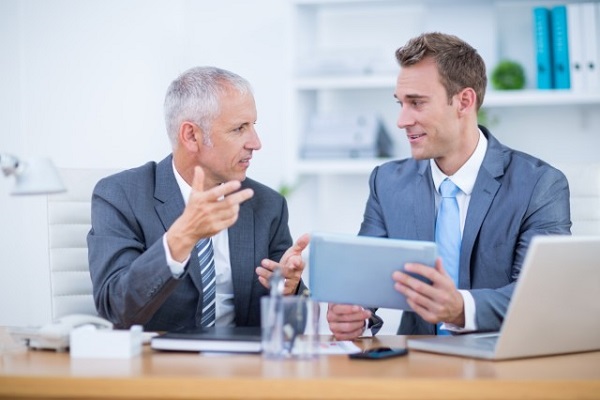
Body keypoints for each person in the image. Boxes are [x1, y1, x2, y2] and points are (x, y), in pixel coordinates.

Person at [327, 32, 571, 339]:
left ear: (464, 101)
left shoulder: (539, 185)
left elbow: (541, 295)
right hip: (417, 367)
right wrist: (354, 315)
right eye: (401, 103)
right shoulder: (387, 182)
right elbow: (364, 283)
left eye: (416, 103)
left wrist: (461, 308)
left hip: (503, 367)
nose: (402, 120)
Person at [88, 66, 309, 331]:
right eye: (239, 128)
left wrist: (288, 291)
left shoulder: (267, 205)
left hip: (243, 368)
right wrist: (180, 239)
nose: (256, 142)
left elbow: (286, 328)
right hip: (157, 366)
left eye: (253, 126)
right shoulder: (121, 196)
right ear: (191, 135)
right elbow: (116, 307)